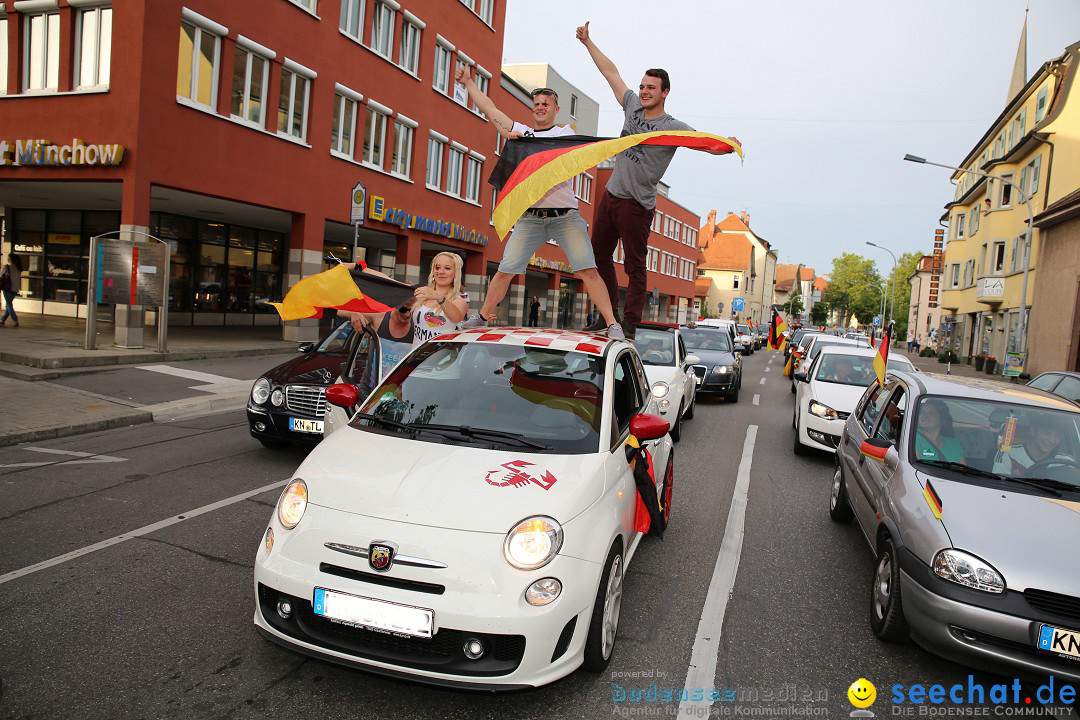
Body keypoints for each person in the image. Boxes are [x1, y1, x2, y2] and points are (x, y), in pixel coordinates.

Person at [576, 21, 737, 341]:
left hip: (637, 205)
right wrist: (588, 42)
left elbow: (704, 144)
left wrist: (728, 145)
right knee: (597, 257)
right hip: (611, 196)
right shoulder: (632, 105)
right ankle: (610, 318)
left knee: (635, 266)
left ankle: (631, 323)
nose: (645, 91)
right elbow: (611, 73)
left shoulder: (672, 128)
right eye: (643, 86)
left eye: (651, 87)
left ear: (664, 92)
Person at [453, 64, 623, 339]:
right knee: (505, 269)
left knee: (588, 269)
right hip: (531, 218)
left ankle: (612, 323)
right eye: (537, 104)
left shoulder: (564, 135)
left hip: (565, 216)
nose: (541, 107)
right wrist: (470, 82)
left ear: (556, 110)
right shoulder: (522, 134)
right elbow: (491, 110)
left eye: (546, 104)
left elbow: (593, 146)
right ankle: (483, 317)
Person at [993, 413, 1075, 476]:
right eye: (1047, 433)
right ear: (1033, 431)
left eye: (1057, 436)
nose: (1051, 440)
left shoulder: (1066, 462)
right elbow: (998, 484)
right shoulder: (1009, 454)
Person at [914, 399, 966, 464]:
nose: (924, 415)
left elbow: (962, 470)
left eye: (931, 413)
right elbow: (917, 467)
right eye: (922, 412)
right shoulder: (913, 437)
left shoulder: (955, 444)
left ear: (942, 419)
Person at [0, 252, 23, 328]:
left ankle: (15, 320)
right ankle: (2, 320)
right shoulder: (18, 268)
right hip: (15, 289)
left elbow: (1, 276)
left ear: (10, 259)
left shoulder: (6, 267)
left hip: (7, 288)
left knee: (9, 305)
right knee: (8, 305)